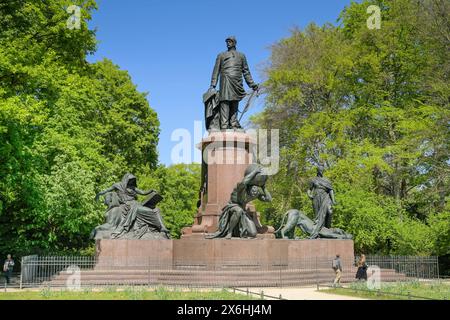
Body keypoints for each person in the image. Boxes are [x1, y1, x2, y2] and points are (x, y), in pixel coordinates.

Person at [95, 173, 170, 239]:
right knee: (141, 210)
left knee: (156, 209)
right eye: (130, 180)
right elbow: (107, 190)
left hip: (136, 204)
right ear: (126, 180)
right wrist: (99, 194)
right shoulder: (117, 185)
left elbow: (143, 192)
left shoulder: (133, 188)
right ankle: (158, 226)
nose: (131, 182)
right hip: (127, 206)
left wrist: (151, 190)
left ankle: (162, 227)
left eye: (132, 181)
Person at [206, 164, 272, 239]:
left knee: (253, 233)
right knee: (238, 210)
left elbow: (269, 199)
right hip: (232, 206)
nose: (254, 193)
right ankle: (229, 232)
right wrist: (254, 172)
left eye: (256, 192)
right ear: (249, 188)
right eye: (253, 191)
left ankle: (240, 231)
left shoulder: (256, 194)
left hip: (242, 211)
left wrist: (263, 187)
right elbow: (244, 182)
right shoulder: (241, 187)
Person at [210, 36, 259, 130]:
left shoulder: (241, 55)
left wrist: (252, 84)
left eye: (230, 41)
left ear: (234, 43)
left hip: (237, 81)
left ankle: (233, 123)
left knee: (234, 101)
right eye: (227, 42)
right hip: (225, 80)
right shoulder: (221, 55)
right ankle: (224, 125)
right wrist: (213, 84)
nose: (228, 43)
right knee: (225, 101)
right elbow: (216, 70)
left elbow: (246, 71)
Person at [307, 165, 336, 239]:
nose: (321, 171)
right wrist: (309, 195)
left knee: (329, 211)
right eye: (320, 170)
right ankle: (319, 233)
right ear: (318, 170)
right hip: (316, 198)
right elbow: (309, 189)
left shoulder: (326, 180)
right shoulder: (313, 179)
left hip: (325, 198)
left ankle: (327, 228)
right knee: (317, 217)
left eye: (322, 170)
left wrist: (333, 200)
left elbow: (331, 190)